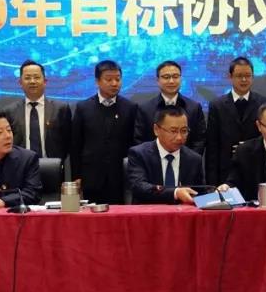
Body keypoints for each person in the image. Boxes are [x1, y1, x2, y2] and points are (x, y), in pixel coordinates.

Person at [70, 60, 139, 204]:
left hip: (120, 176)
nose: (114, 83)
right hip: (91, 177)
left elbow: (135, 143)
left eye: (118, 79)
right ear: (97, 81)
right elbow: (76, 145)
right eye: (109, 79)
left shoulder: (130, 108)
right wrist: (76, 176)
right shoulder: (83, 108)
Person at [205, 57, 266, 186]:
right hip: (226, 172)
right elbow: (212, 147)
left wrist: (247, 147)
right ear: (230, 77)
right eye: (239, 76)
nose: (244, 80)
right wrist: (212, 184)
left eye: (247, 76)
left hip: (257, 169)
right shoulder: (217, 105)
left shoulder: (264, 104)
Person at [126, 106, 204, 204]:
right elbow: (139, 187)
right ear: (156, 130)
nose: (179, 137)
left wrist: (217, 194)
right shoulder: (139, 154)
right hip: (148, 211)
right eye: (173, 131)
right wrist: (175, 193)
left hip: (182, 212)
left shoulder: (194, 159)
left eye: (184, 131)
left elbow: (200, 193)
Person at [133, 60, 206, 155]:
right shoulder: (145, 109)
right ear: (157, 80)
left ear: (181, 79)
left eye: (175, 77)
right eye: (166, 77)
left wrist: (188, 160)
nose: (171, 81)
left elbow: (199, 140)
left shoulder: (194, 108)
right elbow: (139, 141)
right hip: (153, 162)